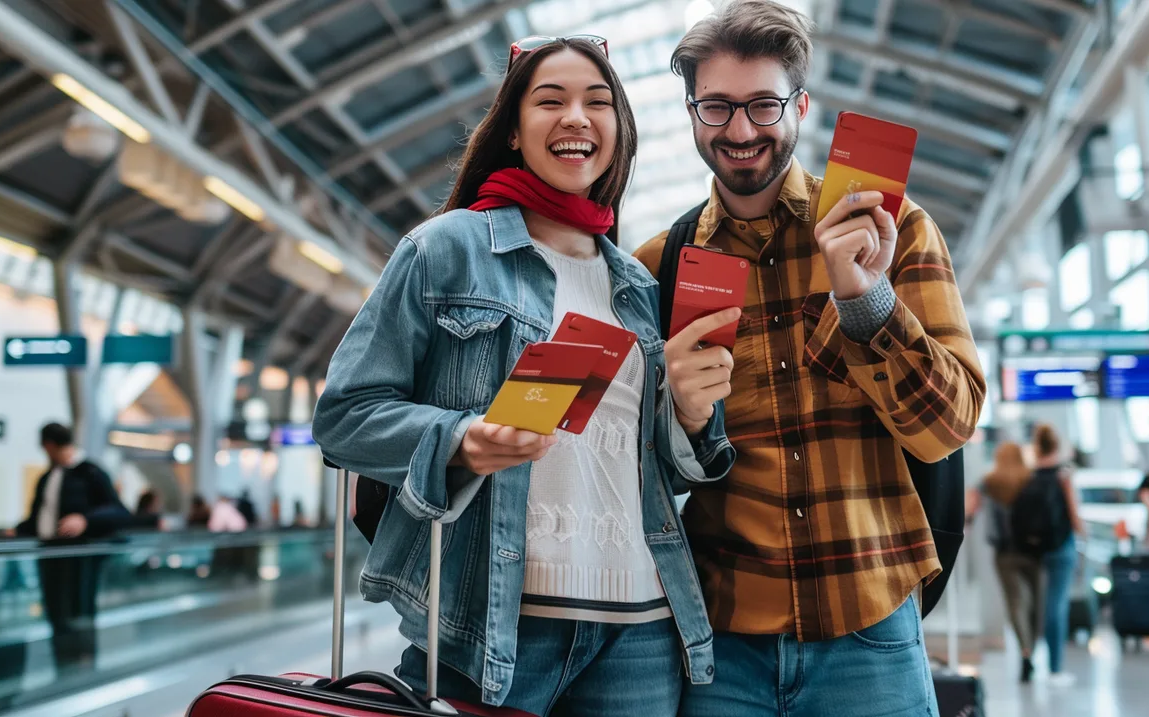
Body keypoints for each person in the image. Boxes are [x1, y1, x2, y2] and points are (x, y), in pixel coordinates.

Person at [312, 35, 735, 716]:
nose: (577, 117)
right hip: (488, 626)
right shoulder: (443, 250)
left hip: (640, 628)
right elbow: (343, 417)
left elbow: (664, 472)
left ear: (619, 133)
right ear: (511, 130)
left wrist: (688, 412)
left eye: (598, 102)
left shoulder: (636, 285)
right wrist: (462, 440)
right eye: (550, 100)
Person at [630, 3, 985, 715]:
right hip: (720, 646)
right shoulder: (659, 267)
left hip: (871, 630)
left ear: (801, 104)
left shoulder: (891, 227)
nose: (740, 129)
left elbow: (946, 426)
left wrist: (865, 300)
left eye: (763, 103)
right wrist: (682, 420)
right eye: (718, 106)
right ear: (691, 110)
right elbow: (638, 480)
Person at [15, 423, 131, 671]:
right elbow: (38, 517)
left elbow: (119, 511)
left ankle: (82, 666)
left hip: (79, 560)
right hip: (49, 555)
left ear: (49, 445)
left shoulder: (90, 472)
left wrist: (85, 519)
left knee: (78, 612)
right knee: (56, 613)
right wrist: (16, 530)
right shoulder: (48, 476)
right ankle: (63, 666)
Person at [966, 441, 1040, 683]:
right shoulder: (1030, 478)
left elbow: (969, 507)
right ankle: (1033, 646)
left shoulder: (990, 482)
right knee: (1036, 602)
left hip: (1005, 552)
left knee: (1015, 601)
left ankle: (1025, 650)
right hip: (1034, 550)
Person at [1024, 423, 1084, 685]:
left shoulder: (1032, 474)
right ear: (1057, 445)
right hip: (1062, 546)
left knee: (1036, 604)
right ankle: (1055, 668)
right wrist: (1082, 531)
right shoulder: (1063, 475)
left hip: (1036, 547)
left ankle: (1029, 659)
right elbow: (1074, 515)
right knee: (1056, 605)